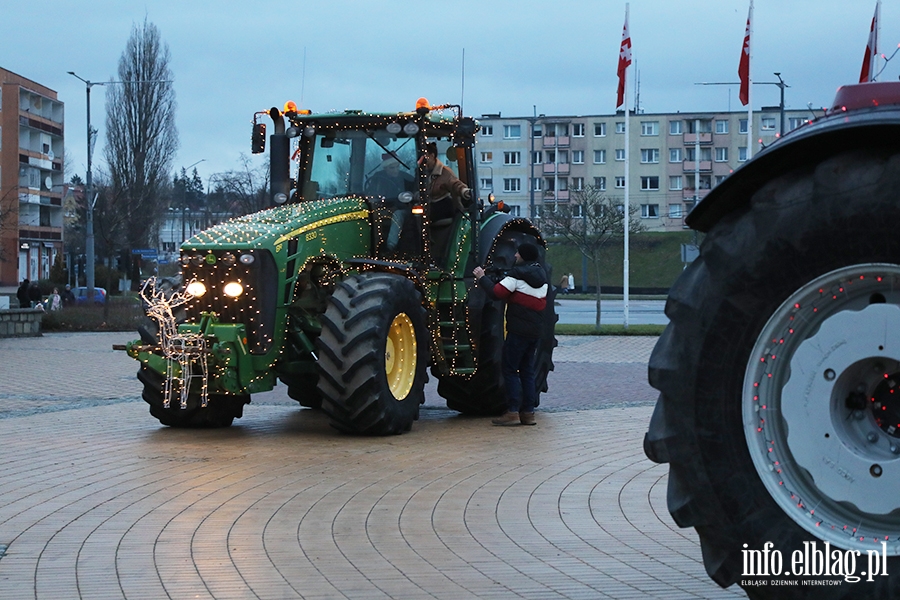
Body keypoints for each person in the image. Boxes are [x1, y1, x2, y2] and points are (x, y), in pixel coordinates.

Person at [473, 242, 548, 426]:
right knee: (527, 371)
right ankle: (528, 413)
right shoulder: (543, 277)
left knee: (509, 369)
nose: (514, 256)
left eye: (517, 253)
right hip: (534, 333)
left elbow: (496, 293)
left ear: (523, 256)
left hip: (517, 332)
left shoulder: (516, 275)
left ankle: (513, 410)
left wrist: (482, 277)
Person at [420, 142, 473, 261]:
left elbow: (455, 184)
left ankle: (429, 245)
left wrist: (465, 191)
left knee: (419, 216)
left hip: (441, 205)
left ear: (432, 155)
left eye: (425, 156)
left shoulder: (445, 172)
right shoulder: (420, 172)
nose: (423, 160)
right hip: (426, 206)